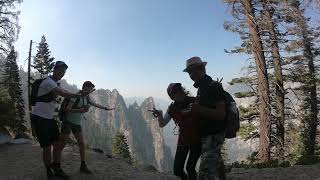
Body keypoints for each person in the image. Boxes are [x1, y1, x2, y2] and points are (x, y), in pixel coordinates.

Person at [31, 61, 90, 179]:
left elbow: (66, 91)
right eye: (60, 71)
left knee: (58, 144)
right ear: (54, 69)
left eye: (63, 72)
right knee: (47, 147)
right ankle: (49, 171)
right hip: (40, 118)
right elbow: (63, 93)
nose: (61, 74)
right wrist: (80, 95)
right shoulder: (48, 82)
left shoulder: (56, 83)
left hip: (50, 119)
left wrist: (80, 94)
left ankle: (56, 167)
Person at [183, 57, 227, 180]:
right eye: (189, 72)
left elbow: (221, 114)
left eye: (193, 70)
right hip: (207, 134)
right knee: (216, 160)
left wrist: (199, 109)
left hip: (213, 134)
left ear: (202, 68)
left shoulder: (214, 86)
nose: (191, 74)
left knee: (205, 173)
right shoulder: (201, 89)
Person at [59, 81, 115, 174]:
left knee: (81, 144)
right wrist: (80, 110)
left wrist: (106, 108)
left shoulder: (86, 97)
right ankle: (57, 163)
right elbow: (67, 109)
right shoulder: (76, 96)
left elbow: (94, 104)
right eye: (88, 88)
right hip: (67, 122)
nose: (89, 90)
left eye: (90, 88)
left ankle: (83, 165)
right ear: (84, 87)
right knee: (62, 144)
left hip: (77, 123)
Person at [150, 83, 201, 180]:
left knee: (190, 168)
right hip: (183, 141)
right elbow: (162, 124)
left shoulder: (194, 101)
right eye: (175, 92)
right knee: (177, 170)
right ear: (172, 96)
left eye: (179, 90)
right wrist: (160, 114)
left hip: (197, 141)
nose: (179, 93)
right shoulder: (172, 108)